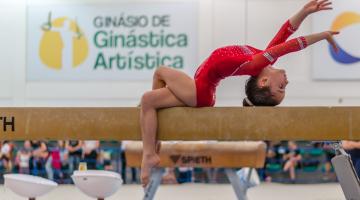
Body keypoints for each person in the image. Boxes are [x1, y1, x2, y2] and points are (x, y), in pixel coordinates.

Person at [139, 0, 339, 186]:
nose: (286, 82)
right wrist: (305, 11)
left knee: (159, 74)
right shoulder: (263, 59)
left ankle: (149, 152)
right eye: (283, 87)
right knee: (150, 101)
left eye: (281, 87)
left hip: (198, 90)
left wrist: (322, 35)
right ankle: (153, 145)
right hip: (200, 91)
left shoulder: (256, 64)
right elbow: (285, 33)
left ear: (263, 82)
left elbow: (290, 46)